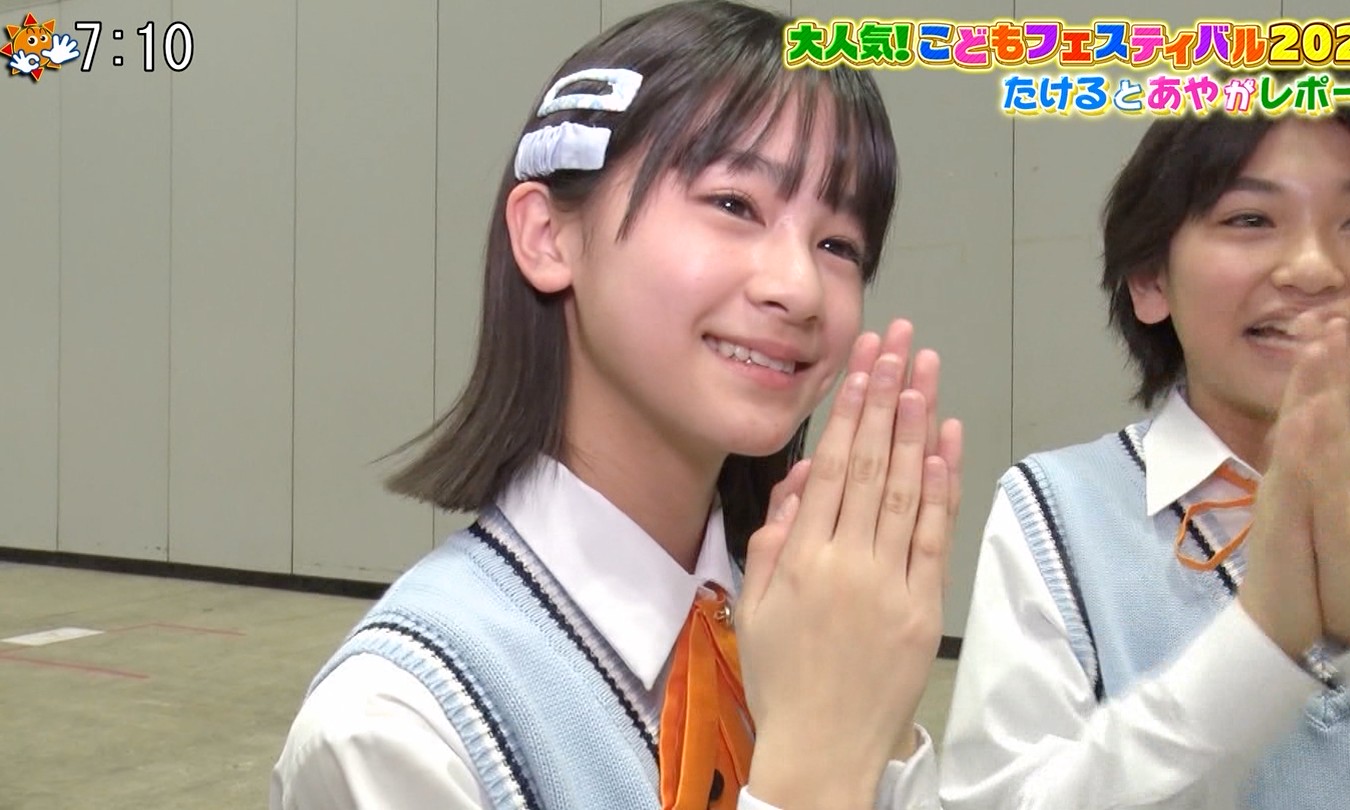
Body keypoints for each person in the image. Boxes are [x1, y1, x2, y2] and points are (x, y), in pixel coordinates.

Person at [269, 2, 963, 809]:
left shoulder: (812, 633)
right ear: (547, 236)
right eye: (734, 204)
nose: (800, 288)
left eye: (838, 245)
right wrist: (815, 769)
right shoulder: (397, 729)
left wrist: (877, 725)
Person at [932, 69, 1350, 809]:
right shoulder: (1056, 512)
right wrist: (1259, 640)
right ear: (1149, 279)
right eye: (1250, 218)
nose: (1311, 270)